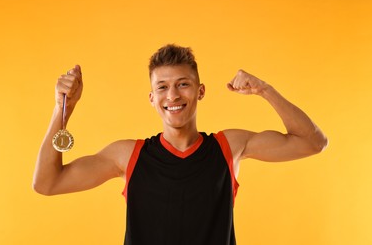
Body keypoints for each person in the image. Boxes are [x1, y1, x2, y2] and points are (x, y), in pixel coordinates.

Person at [33, 44, 328, 245]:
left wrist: (265, 90)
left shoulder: (229, 146)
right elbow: (47, 183)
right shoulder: (128, 155)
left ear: (200, 91)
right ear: (152, 98)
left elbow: (313, 142)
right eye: (162, 87)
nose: (172, 95)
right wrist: (64, 110)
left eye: (183, 84)